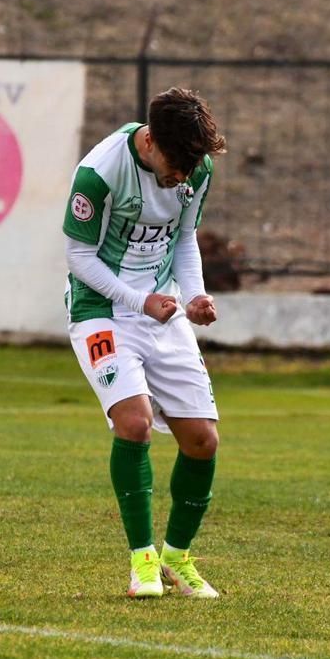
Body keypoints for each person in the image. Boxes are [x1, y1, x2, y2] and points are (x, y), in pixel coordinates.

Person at [63, 86, 226, 598]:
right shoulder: (100, 172)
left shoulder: (195, 167)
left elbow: (182, 238)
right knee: (133, 423)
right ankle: (143, 563)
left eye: (190, 165)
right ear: (150, 141)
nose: (182, 175)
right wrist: (138, 301)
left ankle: (178, 555)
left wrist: (195, 296)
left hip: (163, 307)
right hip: (102, 310)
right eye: (175, 163)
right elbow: (78, 256)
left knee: (203, 440)